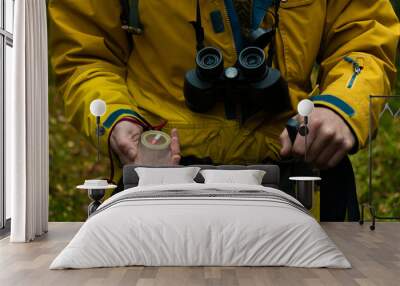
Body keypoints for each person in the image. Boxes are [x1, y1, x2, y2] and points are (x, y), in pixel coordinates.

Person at [49, 0, 399, 221]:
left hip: (304, 184)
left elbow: (364, 39)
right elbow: (86, 56)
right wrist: (119, 122)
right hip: (160, 183)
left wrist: (341, 107)